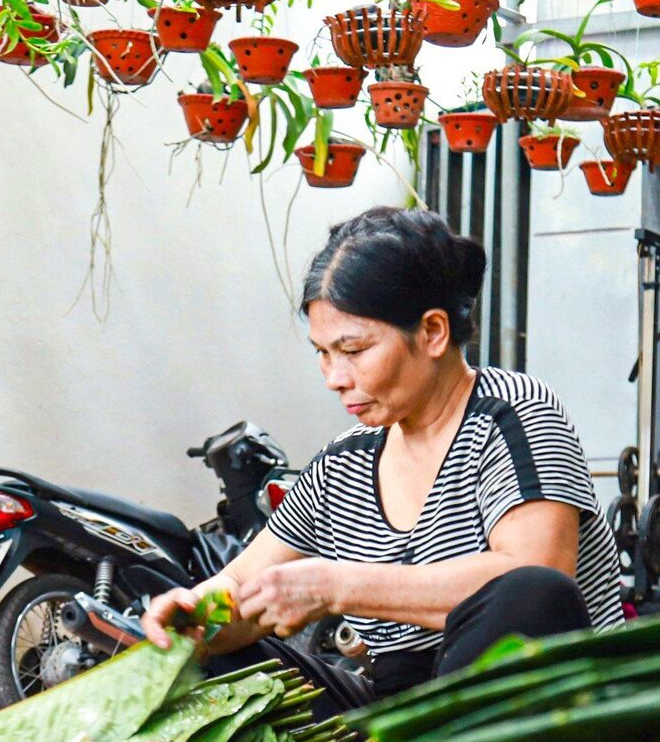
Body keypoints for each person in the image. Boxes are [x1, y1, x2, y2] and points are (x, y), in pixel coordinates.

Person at [142, 206, 624, 705]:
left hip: (534, 701)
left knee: (531, 593)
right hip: (395, 710)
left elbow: (539, 574)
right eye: (323, 353)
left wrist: (337, 586)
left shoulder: (514, 415)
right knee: (216, 662)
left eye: (353, 350)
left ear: (433, 332)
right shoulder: (343, 462)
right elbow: (244, 583)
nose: (335, 378)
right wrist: (194, 617)